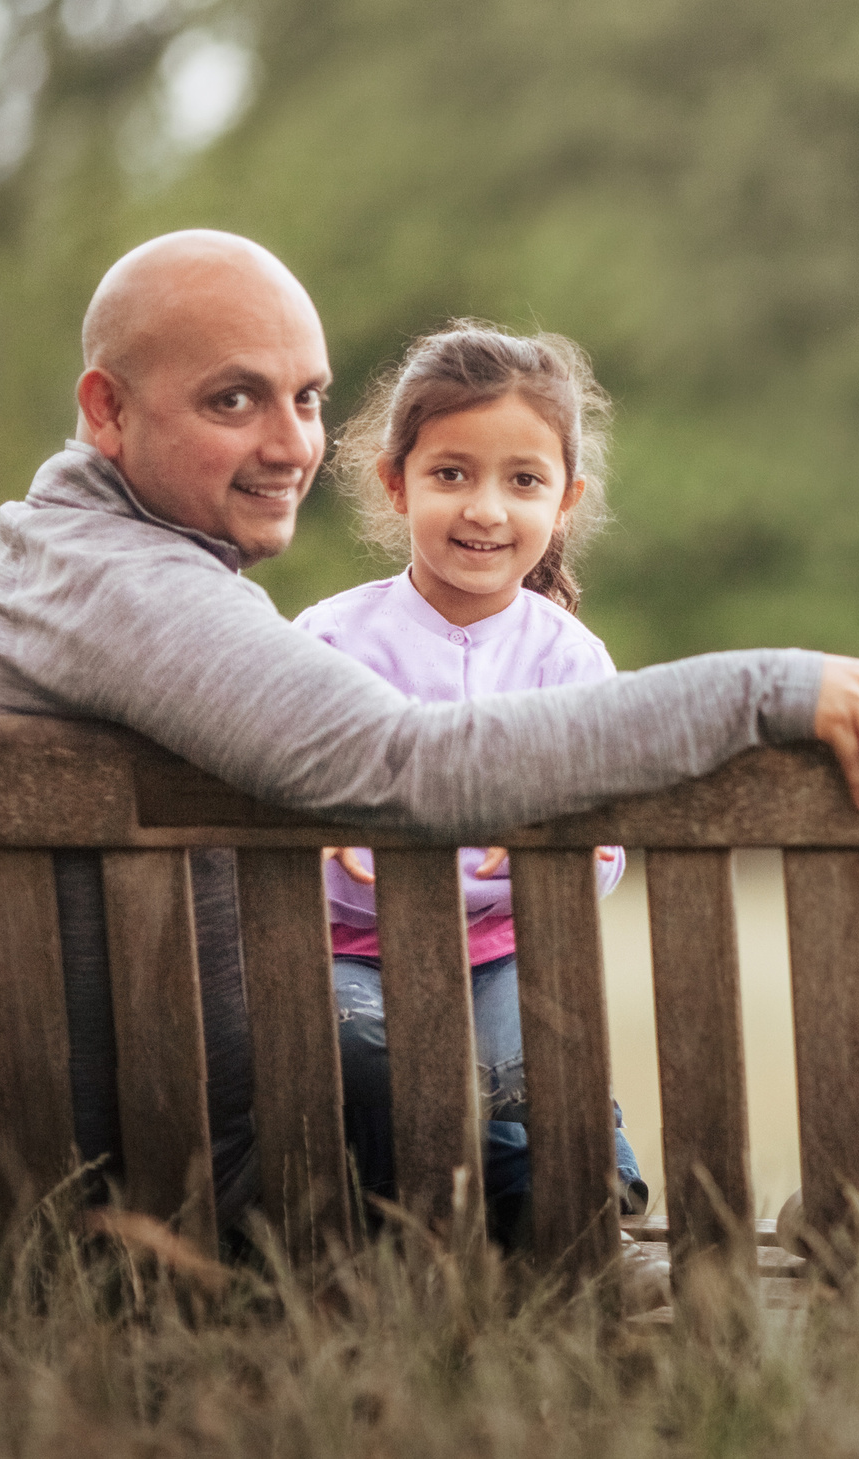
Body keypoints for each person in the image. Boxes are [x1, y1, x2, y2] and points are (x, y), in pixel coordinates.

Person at [0, 231, 859, 1235]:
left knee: (459, 1079)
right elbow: (404, 765)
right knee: (456, 1087)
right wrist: (767, 689)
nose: (290, 444)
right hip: (60, 1165)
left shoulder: (59, 556)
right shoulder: (123, 585)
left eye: (308, 396)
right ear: (107, 409)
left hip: (43, 1127)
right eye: (234, 399)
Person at [289, 321, 642, 1229]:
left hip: (501, 951)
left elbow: (601, 845)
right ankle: (446, 1227)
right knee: (366, 1050)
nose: (486, 508)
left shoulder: (567, 657)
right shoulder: (329, 641)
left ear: (565, 501)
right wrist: (350, 850)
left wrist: (502, 863)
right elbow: (281, 807)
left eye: (523, 480)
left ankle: (586, 1209)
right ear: (395, 480)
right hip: (348, 955)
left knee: (534, 1058)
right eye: (453, 473)